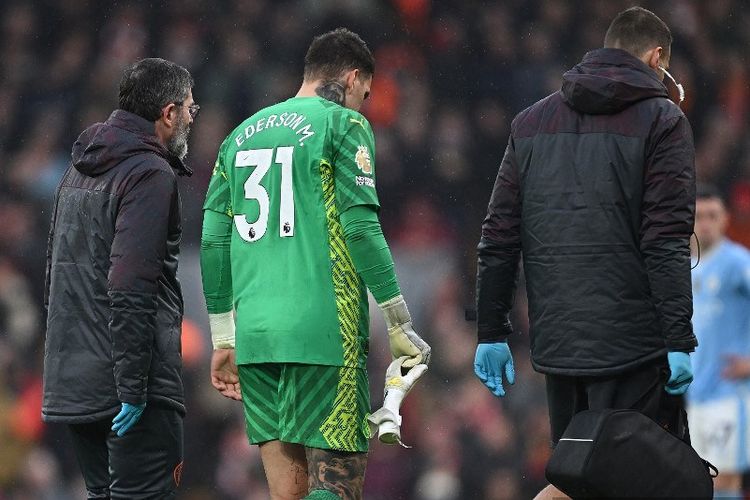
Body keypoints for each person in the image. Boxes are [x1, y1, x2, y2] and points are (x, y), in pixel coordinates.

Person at [473, 7, 696, 499]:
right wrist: (679, 337)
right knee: (638, 485)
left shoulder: (530, 122)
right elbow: (666, 239)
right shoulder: (662, 120)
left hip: (560, 349)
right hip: (634, 348)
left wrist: (492, 328)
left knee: (579, 478)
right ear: (658, 57)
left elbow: (499, 235)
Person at [200, 28, 430, 500]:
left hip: (256, 339)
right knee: (336, 489)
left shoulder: (239, 136)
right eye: (365, 95)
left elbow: (212, 240)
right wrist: (398, 319)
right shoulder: (342, 125)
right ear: (351, 78)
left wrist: (223, 336)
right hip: (324, 333)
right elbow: (361, 230)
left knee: (289, 494)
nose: (362, 106)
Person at [43, 58, 197, 499]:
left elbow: (58, 275)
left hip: (76, 383)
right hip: (129, 389)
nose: (192, 115)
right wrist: (133, 386)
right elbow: (130, 284)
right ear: (167, 113)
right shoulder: (149, 172)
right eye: (189, 107)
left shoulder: (78, 168)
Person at [688, 184, 750, 498]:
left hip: (728, 396)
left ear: (725, 219)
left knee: (723, 483)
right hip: (691, 398)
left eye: (713, 215)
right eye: (699, 216)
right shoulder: (682, 268)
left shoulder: (737, 263)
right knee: (696, 485)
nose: (706, 223)